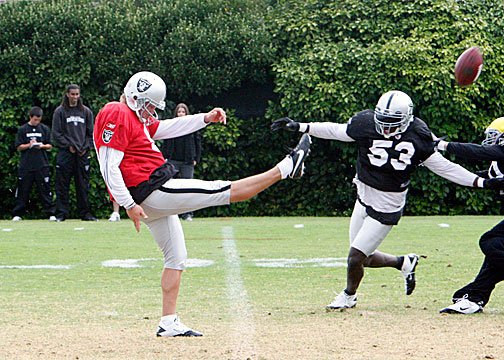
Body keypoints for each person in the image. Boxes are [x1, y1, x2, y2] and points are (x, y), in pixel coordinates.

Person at [93, 71, 311, 337]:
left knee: (176, 257)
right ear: (135, 96)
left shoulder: (133, 118)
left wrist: (205, 119)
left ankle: (169, 322)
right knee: (221, 190)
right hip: (152, 190)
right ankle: (286, 168)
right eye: (149, 105)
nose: (151, 111)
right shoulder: (116, 111)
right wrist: (127, 203)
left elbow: (168, 128)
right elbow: (108, 164)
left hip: (148, 193)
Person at [271, 90, 504, 310]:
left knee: (355, 257)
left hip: (388, 203)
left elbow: (444, 167)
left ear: (407, 118)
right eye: (383, 122)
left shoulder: (419, 135)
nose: (386, 128)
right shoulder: (365, 122)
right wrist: (301, 126)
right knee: (363, 257)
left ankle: (348, 296)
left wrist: (481, 182)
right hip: (363, 194)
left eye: (393, 123)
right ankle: (404, 262)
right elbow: (337, 131)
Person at [435, 117, 504, 314]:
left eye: (494, 136)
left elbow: (482, 152)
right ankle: (475, 297)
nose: (489, 141)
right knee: (499, 254)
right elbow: (475, 177)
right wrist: (435, 164)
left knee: (490, 240)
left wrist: (443, 145)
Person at [52, 84, 97, 221]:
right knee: (62, 184)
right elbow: (56, 133)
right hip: (66, 153)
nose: (75, 97)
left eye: (77, 94)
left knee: (83, 185)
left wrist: (85, 147)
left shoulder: (86, 111)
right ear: (67, 94)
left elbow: (91, 134)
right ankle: (61, 214)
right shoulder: (60, 111)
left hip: (82, 154)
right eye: (72, 94)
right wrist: (68, 146)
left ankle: (85, 213)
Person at [11, 106, 56, 221]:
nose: (37, 122)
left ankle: (51, 213)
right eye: (35, 119)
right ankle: (18, 214)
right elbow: (19, 147)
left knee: (45, 190)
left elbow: (50, 145)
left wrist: (41, 146)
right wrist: (29, 145)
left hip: (42, 164)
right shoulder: (23, 129)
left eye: (39, 120)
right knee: (23, 189)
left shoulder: (44, 129)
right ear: (30, 117)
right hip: (26, 165)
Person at [161, 103, 201, 221]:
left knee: (188, 187)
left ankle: (188, 213)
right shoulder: (172, 125)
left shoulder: (192, 126)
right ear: (176, 114)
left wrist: (196, 158)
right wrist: (165, 157)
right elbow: (166, 141)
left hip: (187, 161)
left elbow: (197, 143)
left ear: (186, 113)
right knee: (170, 187)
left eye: (183, 112)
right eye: (179, 112)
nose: (181, 114)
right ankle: (172, 213)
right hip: (173, 160)